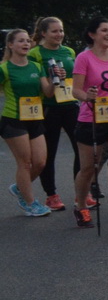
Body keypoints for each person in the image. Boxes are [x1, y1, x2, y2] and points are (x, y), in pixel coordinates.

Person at [70, 17, 108, 229]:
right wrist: (88, 96)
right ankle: (80, 205)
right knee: (89, 168)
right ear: (92, 34)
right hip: (91, 119)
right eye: (104, 30)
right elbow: (75, 90)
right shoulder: (84, 58)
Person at [29, 16, 78, 212]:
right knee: (49, 152)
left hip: (69, 103)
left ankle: (82, 192)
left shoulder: (69, 51)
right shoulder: (35, 53)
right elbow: (33, 80)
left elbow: (76, 76)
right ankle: (51, 194)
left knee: (81, 148)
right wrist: (52, 77)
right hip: (48, 105)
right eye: (54, 31)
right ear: (43, 33)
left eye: (61, 30)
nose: (59, 35)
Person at [2, 28, 51, 215]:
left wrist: (55, 80)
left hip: (35, 118)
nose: (25, 44)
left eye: (27, 41)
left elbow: (47, 92)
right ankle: (30, 203)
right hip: (13, 119)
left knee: (39, 162)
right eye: (21, 41)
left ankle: (20, 187)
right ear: (10, 45)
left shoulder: (36, 67)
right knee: (24, 163)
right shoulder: (4, 68)